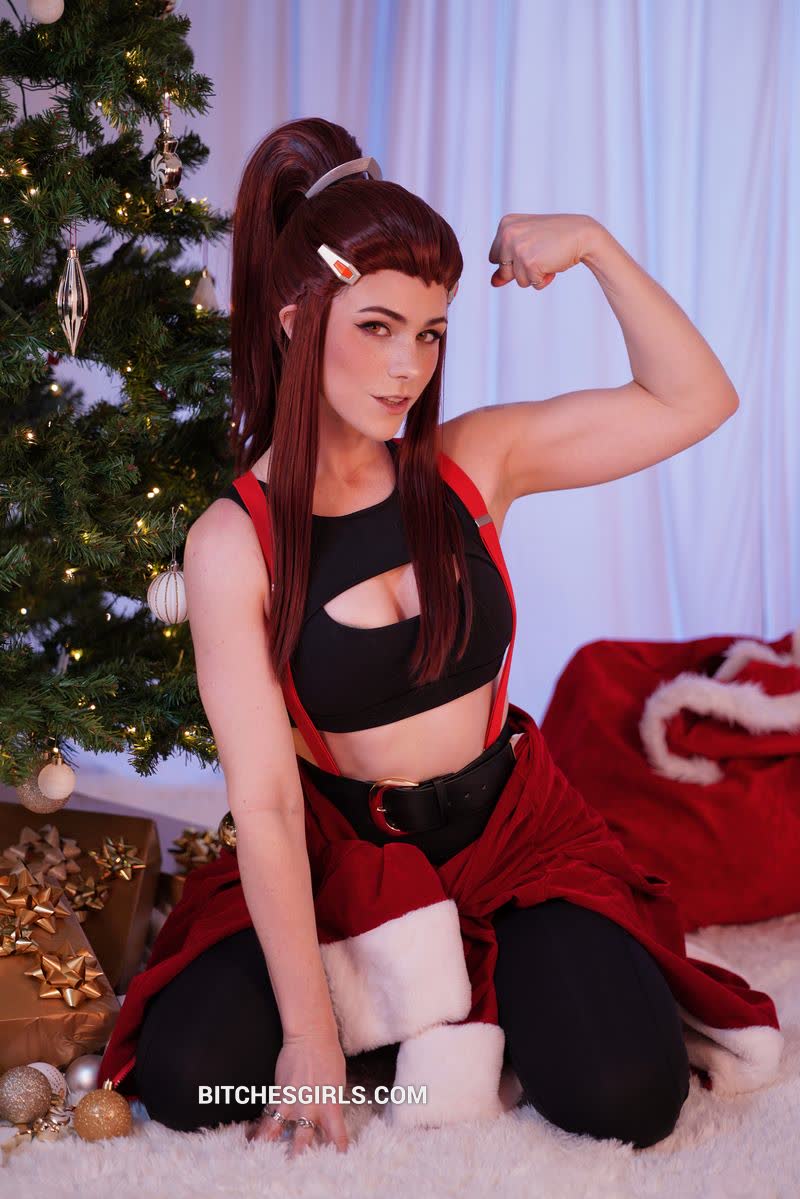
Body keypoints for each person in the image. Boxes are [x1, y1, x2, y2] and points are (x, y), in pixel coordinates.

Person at [97, 117, 782, 1159]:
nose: (407, 365)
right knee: (192, 1080)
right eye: (377, 325)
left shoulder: (473, 463)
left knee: (629, 1095)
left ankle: (462, 984)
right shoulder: (234, 542)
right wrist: (308, 1036)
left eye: (429, 332)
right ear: (297, 320)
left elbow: (696, 399)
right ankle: (395, 997)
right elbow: (269, 802)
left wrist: (594, 243)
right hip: (344, 856)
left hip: (512, 836)